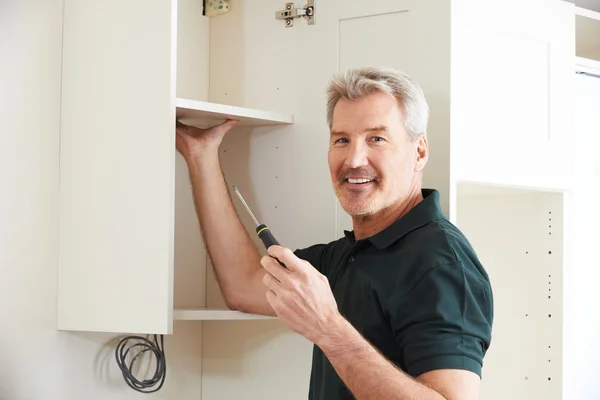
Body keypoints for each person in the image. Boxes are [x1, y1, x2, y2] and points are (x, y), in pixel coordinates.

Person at [175, 66, 494, 400]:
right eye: (342, 139)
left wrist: (328, 327)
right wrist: (200, 155)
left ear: (419, 152)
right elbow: (243, 284)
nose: (354, 159)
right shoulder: (347, 254)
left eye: (377, 139)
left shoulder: (440, 264)